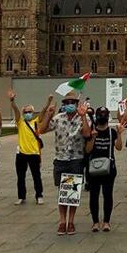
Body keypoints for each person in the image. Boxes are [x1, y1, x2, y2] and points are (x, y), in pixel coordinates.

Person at [38, 91, 90, 236]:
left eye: (72, 103)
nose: (69, 105)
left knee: (72, 193)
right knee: (62, 192)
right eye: (66, 103)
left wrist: (84, 115)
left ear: (76, 104)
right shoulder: (58, 118)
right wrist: (48, 114)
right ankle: (62, 221)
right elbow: (41, 130)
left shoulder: (82, 118)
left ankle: (71, 221)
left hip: (75, 159)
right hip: (61, 159)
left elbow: (87, 134)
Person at [84, 106, 124, 232]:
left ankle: (106, 221)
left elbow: (118, 147)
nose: (102, 117)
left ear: (107, 117)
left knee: (108, 194)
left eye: (104, 114)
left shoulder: (112, 132)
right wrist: (93, 137)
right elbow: (88, 150)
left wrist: (119, 133)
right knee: (94, 195)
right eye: (100, 114)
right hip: (93, 168)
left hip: (109, 168)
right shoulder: (91, 131)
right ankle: (95, 222)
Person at [9, 90, 50, 206]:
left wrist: (48, 102)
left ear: (33, 112)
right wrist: (12, 101)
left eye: (30, 112)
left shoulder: (36, 121)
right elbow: (16, 111)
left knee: (36, 176)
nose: (28, 113)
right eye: (26, 112)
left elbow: (43, 112)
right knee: (20, 177)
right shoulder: (20, 122)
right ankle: (21, 196)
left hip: (34, 153)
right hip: (21, 153)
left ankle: (39, 195)